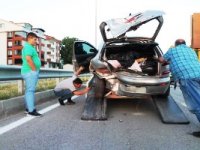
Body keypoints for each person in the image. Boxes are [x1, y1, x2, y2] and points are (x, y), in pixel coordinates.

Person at [156, 39, 200, 138]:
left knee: (196, 104)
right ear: (184, 44)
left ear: (176, 45)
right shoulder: (191, 50)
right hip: (198, 74)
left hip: (188, 77)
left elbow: (162, 60)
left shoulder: (173, 50)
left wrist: (157, 58)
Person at [21, 32, 42, 117]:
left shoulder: (29, 47)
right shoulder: (28, 47)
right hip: (30, 72)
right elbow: (28, 59)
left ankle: (28, 108)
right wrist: (34, 70)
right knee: (30, 91)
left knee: (28, 91)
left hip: (29, 72)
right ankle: (31, 111)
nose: (36, 41)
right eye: (34, 39)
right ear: (29, 38)